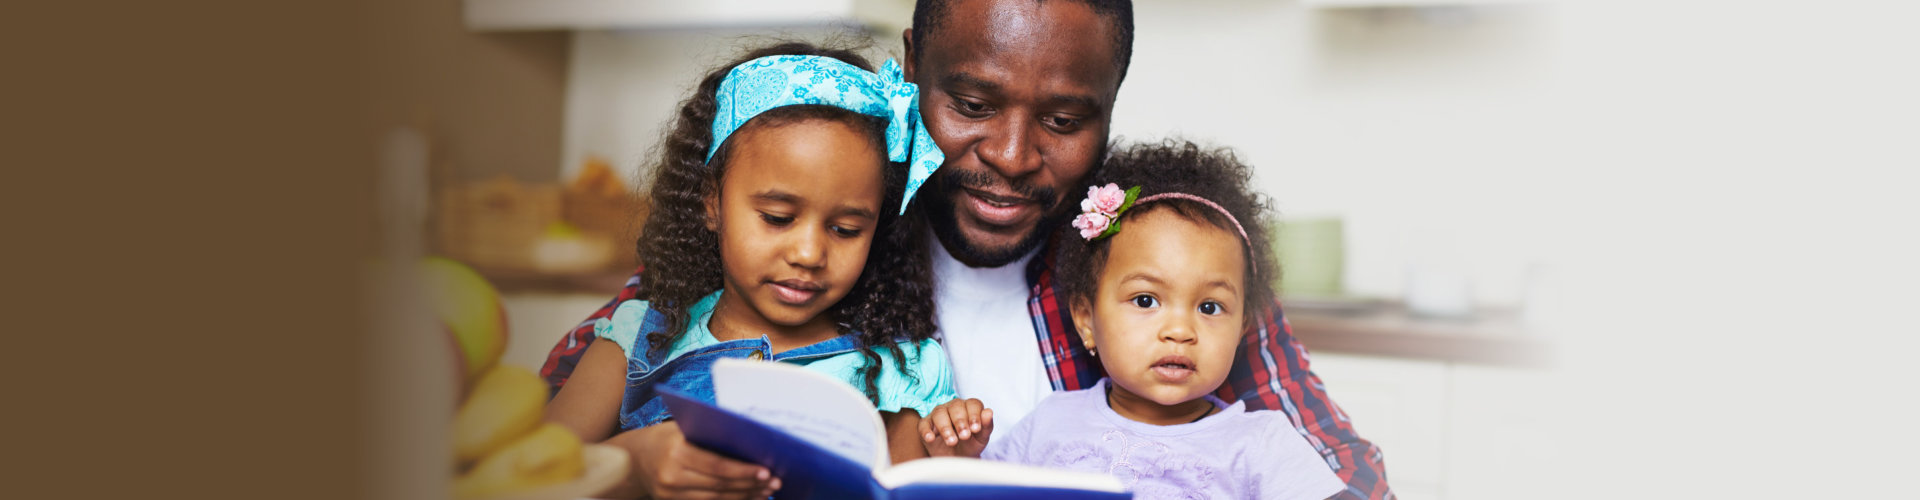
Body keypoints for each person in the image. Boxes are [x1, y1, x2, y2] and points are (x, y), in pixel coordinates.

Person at [541, 1, 1392, 499]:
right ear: (912, 69)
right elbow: (531, 447)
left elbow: (1344, 471)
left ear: (1111, 106)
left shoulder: (1158, 262)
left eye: (1063, 121)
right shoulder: (814, 235)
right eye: (973, 104)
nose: (1014, 156)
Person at [541, 42, 956, 499]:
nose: (808, 253)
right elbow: (527, 476)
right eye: (777, 218)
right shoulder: (636, 342)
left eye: (845, 229)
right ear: (710, 201)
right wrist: (634, 461)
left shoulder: (902, 369)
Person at [921, 141, 1345, 500]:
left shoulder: (1262, 444)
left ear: (1243, 329)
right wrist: (959, 456)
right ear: (1086, 320)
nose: (1180, 331)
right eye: (1146, 300)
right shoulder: (1050, 422)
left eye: (1210, 308)